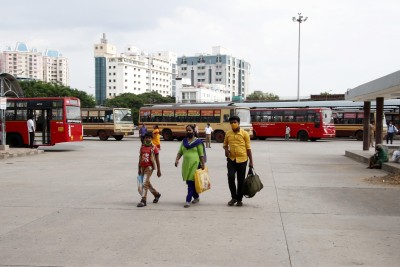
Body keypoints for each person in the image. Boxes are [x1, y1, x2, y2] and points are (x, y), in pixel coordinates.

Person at [223, 115, 253, 207]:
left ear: (239, 123)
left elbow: (248, 148)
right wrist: (226, 150)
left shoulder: (245, 134)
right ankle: (233, 197)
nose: (233, 124)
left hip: (242, 160)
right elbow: (225, 145)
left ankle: (239, 199)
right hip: (231, 159)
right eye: (231, 123)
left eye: (235, 122)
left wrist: (251, 161)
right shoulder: (228, 133)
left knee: (241, 180)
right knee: (231, 178)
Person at [175, 124, 206, 208]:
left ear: (194, 131)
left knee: (190, 183)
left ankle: (188, 200)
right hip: (186, 165)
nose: (188, 132)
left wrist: (203, 164)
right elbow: (180, 152)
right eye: (187, 130)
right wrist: (177, 159)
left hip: (195, 165)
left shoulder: (198, 142)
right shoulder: (184, 141)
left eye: (190, 130)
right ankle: (196, 197)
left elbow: (201, 154)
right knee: (190, 182)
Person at [137, 132, 161, 207]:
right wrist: (139, 168)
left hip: (149, 168)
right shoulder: (142, 147)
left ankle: (143, 200)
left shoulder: (154, 148)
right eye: (146, 138)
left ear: (151, 138)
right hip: (142, 167)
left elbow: (157, 160)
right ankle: (156, 194)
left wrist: (158, 170)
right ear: (144, 138)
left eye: (149, 138)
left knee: (144, 183)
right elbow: (140, 158)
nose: (147, 139)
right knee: (146, 183)